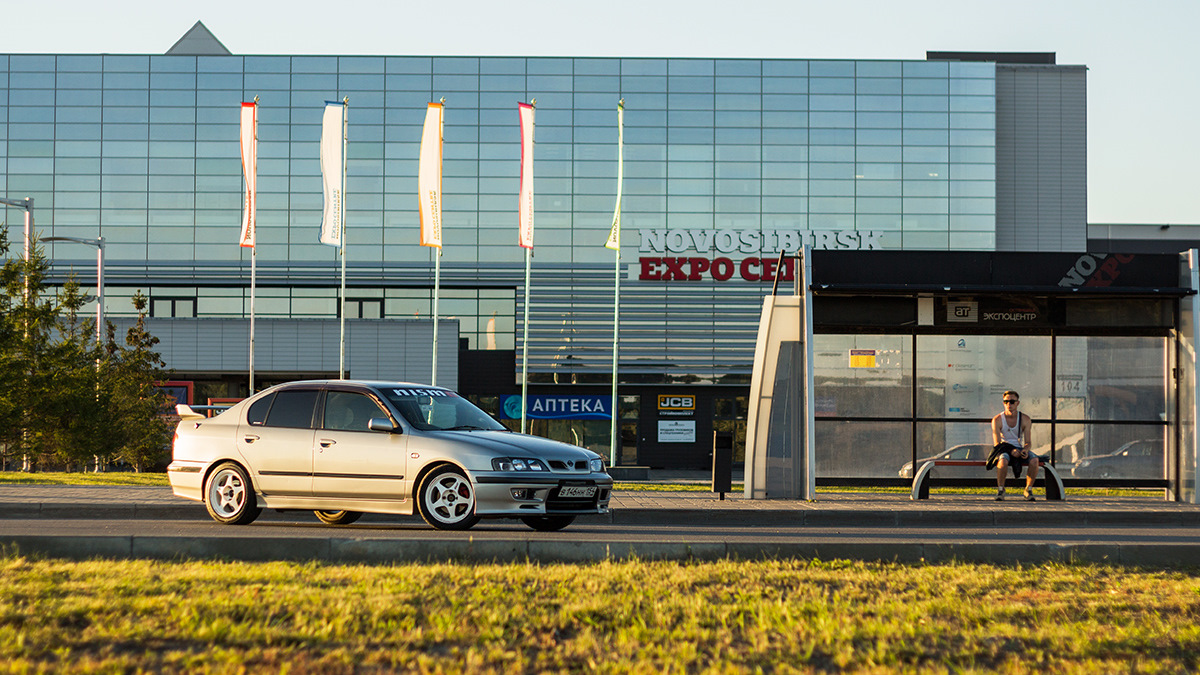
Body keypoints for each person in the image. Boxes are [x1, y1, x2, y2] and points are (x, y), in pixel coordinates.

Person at [989, 390, 1038, 501]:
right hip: (1003, 448)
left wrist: (1025, 450)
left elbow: (1028, 442)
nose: (1009, 404)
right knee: (1003, 461)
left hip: (1019, 448)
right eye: (1006, 402)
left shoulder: (1025, 419)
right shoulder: (997, 419)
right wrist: (1011, 451)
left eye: (1012, 402)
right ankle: (1001, 489)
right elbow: (997, 444)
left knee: (1035, 460)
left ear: (1017, 403)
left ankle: (1028, 489)